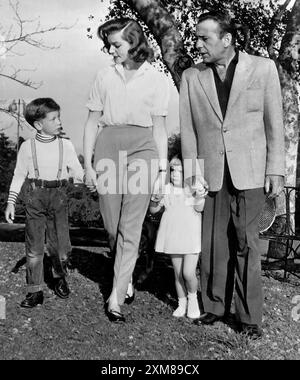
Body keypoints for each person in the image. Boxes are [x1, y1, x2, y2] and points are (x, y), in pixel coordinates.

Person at [180, 11, 285, 338]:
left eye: (204, 38)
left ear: (227, 40)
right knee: (212, 243)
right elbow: (188, 131)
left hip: (252, 173)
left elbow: (274, 124)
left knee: (247, 243)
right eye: (197, 37)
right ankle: (214, 306)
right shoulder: (191, 77)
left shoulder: (263, 69)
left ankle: (249, 316)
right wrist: (190, 174)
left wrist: (276, 170)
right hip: (210, 173)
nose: (198, 44)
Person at [84, 18, 169, 323]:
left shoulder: (156, 79)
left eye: (116, 44)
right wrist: (89, 165)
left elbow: (160, 128)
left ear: (134, 41)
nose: (110, 49)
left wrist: (162, 172)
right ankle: (126, 271)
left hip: (143, 148)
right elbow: (92, 121)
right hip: (108, 146)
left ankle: (115, 296)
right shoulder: (104, 76)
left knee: (131, 226)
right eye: (108, 44)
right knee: (112, 225)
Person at [5, 98, 84, 308]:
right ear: (39, 124)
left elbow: (78, 170)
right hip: (36, 197)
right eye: (54, 118)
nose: (59, 122)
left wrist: (88, 179)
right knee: (34, 247)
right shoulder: (27, 148)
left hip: (58, 196)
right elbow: (18, 175)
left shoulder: (65, 145)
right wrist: (11, 202)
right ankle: (35, 290)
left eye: (59, 117)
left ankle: (59, 277)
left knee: (62, 247)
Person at [150, 149, 206, 320]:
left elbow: (199, 208)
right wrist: (155, 199)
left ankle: (193, 299)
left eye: (180, 171)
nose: (175, 175)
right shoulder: (165, 189)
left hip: (190, 237)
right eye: (173, 170)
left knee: (189, 272)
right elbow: (153, 210)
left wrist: (199, 196)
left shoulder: (191, 189)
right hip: (173, 236)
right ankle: (181, 303)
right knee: (178, 273)